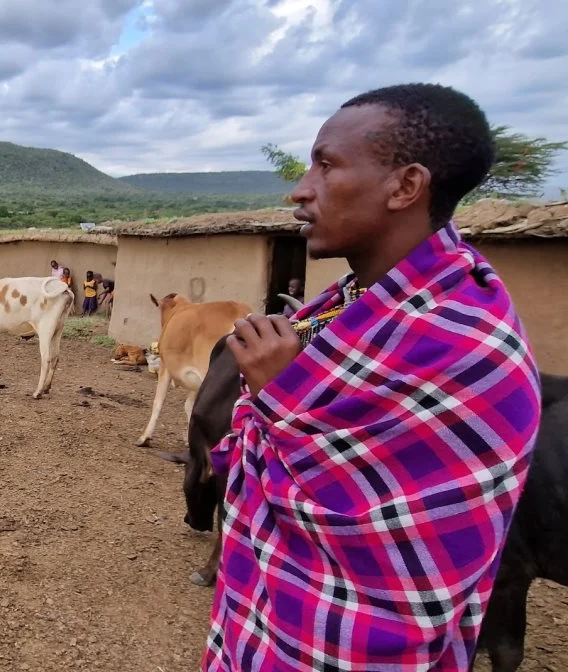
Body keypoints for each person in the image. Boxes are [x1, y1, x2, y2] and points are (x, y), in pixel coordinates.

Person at [203, 83, 542, 671]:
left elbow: (401, 560)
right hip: (258, 632)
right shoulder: (346, 305)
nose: (301, 188)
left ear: (405, 186)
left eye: (326, 165)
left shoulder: (469, 347)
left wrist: (285, 398)